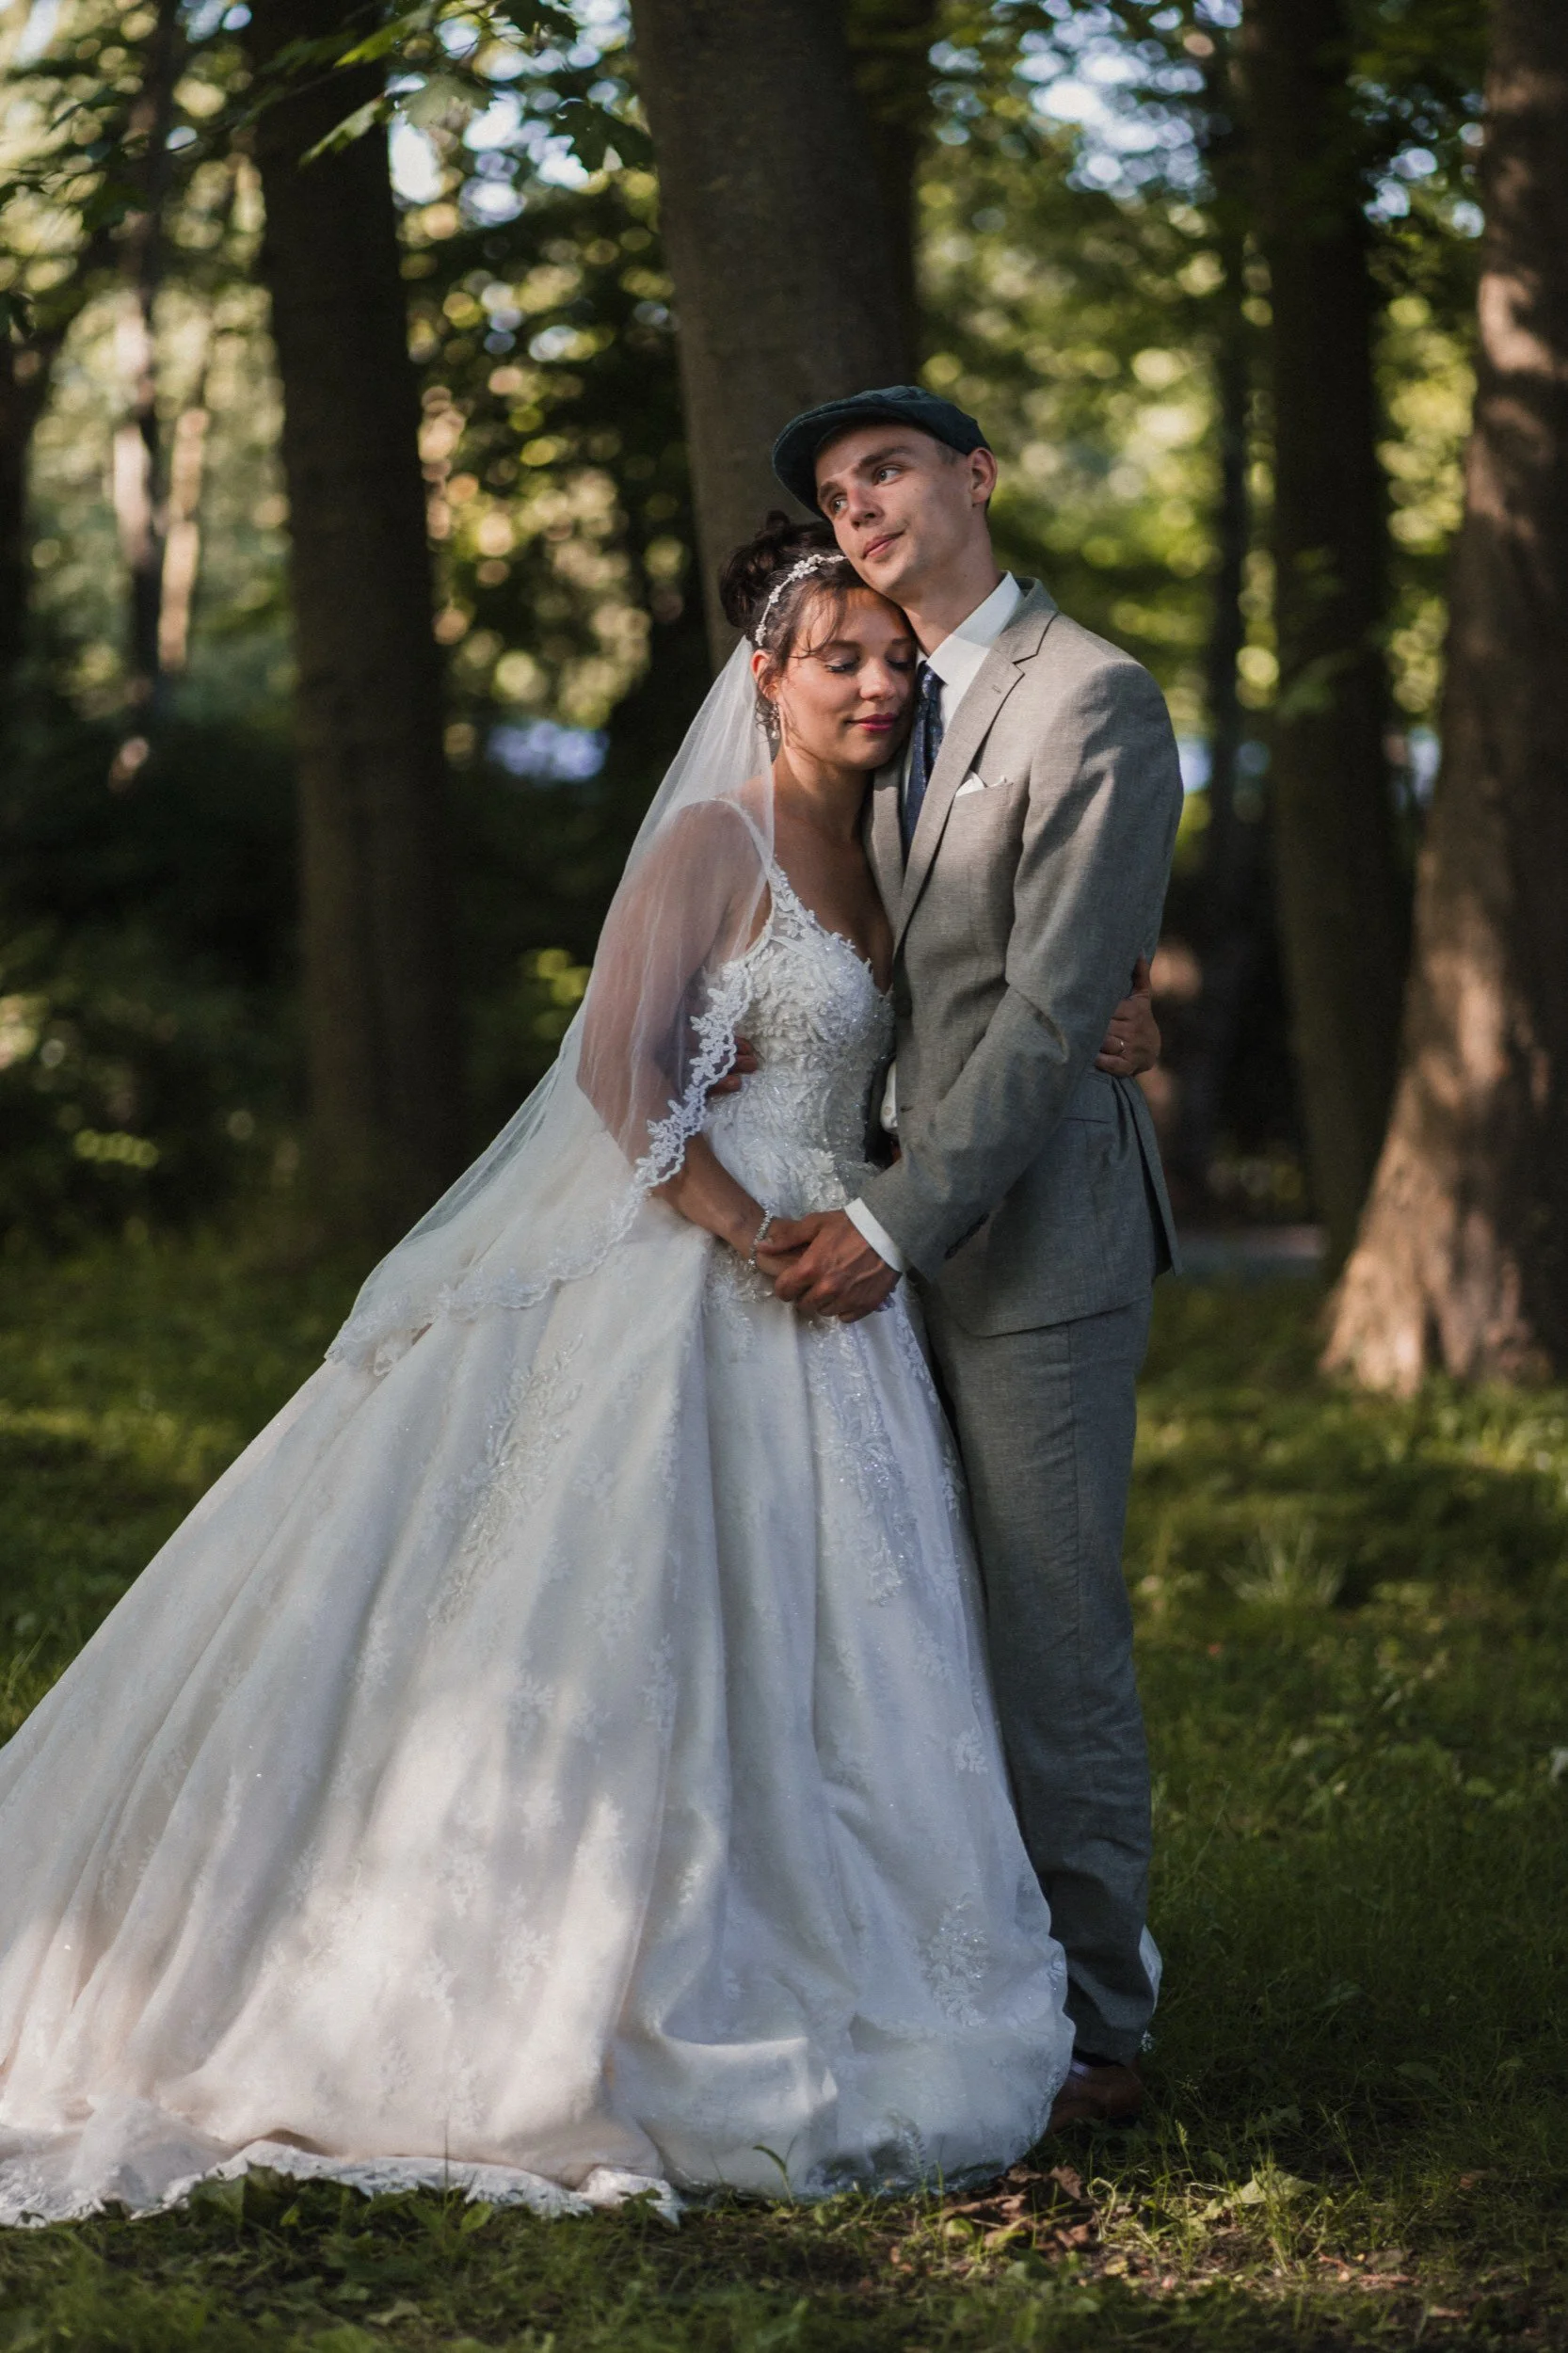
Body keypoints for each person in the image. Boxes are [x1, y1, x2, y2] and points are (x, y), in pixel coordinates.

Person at [0, 521, 1154, 2231]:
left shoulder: (899, 856)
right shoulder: (715, 839)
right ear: (762, 676)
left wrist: (1123, 1033)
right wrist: (749, 1229)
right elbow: (623, 1071)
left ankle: (833, 1947)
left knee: (845, 1646)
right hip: (710, 1265)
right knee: (625, 1608)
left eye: (895, 661)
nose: (875, 684)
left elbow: (981, 1017)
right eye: (836, 658)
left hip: (847, 1285)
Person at [760, 387, 1185, 2130]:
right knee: (904, 1618)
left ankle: (1101, 2028)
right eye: (836, 489)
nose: (858, 503)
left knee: (1043, 1625)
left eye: (887, 469)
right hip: (879, 1226)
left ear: (973, 479)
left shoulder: (1091, 694)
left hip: (1032, 1241)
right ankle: (938, 1958)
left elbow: (1042, 1005)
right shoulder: (881, 702)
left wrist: (886, 1224)